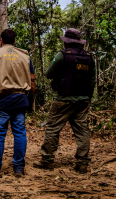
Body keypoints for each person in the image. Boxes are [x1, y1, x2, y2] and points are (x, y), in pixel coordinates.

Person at [33, 28, 96, 174]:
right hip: (82, 100)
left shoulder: (62, 55)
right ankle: (82, 164)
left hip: (63, 99)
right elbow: (92, 81)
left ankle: (47, 160)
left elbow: (49, 73)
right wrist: (88, 99)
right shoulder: (89, 57)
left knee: (52, 128)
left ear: (67, 42)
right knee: (82, 131)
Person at [0, 29, 36, 178]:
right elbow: (32, 79)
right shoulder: (25, 56)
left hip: (2, 100)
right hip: (20, 99)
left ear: (1, 40)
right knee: (19, 133)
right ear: (14, 41)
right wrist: (31, 99)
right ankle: (18, 168)